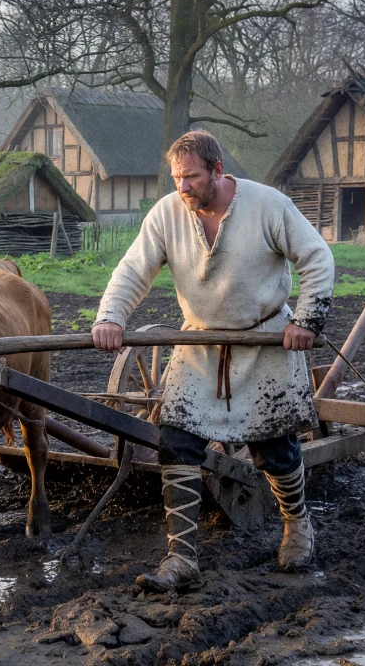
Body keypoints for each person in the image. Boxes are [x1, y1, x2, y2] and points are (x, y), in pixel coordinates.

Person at [92, 130, 335, 593]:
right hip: (200, 344)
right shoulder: (167, 214)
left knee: (273, 448)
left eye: (191, 177)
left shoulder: (267, 205)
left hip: (265, 341)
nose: (182, 187)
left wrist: (307, 319)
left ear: (218, 171)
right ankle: (181, 558)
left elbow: (317, 258)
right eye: (177, 178)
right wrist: (110, 317)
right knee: (176, 442)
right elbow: (133, 269)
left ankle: (298, 525)